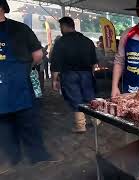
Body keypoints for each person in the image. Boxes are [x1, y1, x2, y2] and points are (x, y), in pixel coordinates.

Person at [0, 0, 51, 174]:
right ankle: (31, 159)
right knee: (13, 125)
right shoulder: (21, 29)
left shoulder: (20, 29)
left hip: (19, 85)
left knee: (16, 124)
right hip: (13, 85)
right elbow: (37, 55)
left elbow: (38, 54)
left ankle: (20, 159)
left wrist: (21, 72)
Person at [50, 17, 98, 133]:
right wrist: (92, 75)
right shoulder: (87, 41)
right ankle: (96, 120)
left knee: (76, 99)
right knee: (90, 97)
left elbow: (56, 63)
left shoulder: (60, 42)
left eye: (61, 27)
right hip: (86, 74)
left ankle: (81, 125)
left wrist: (54, 80)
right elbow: (94, 62)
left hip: (69, 75)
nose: (61, 29)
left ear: (64, 26)